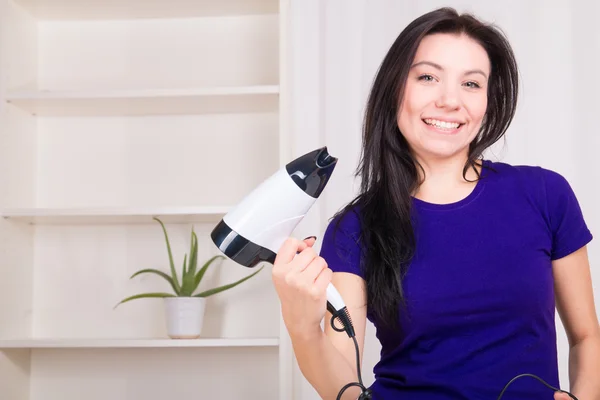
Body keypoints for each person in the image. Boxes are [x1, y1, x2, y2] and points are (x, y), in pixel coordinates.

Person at [271, 7, 600, 400]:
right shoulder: (356, 228)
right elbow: (343, 389)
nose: (449, 100)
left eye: (471, 84)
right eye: (428, 77)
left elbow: (586, 337)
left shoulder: (545, 194)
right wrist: (301, 325)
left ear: (489, 103)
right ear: (396, 88)